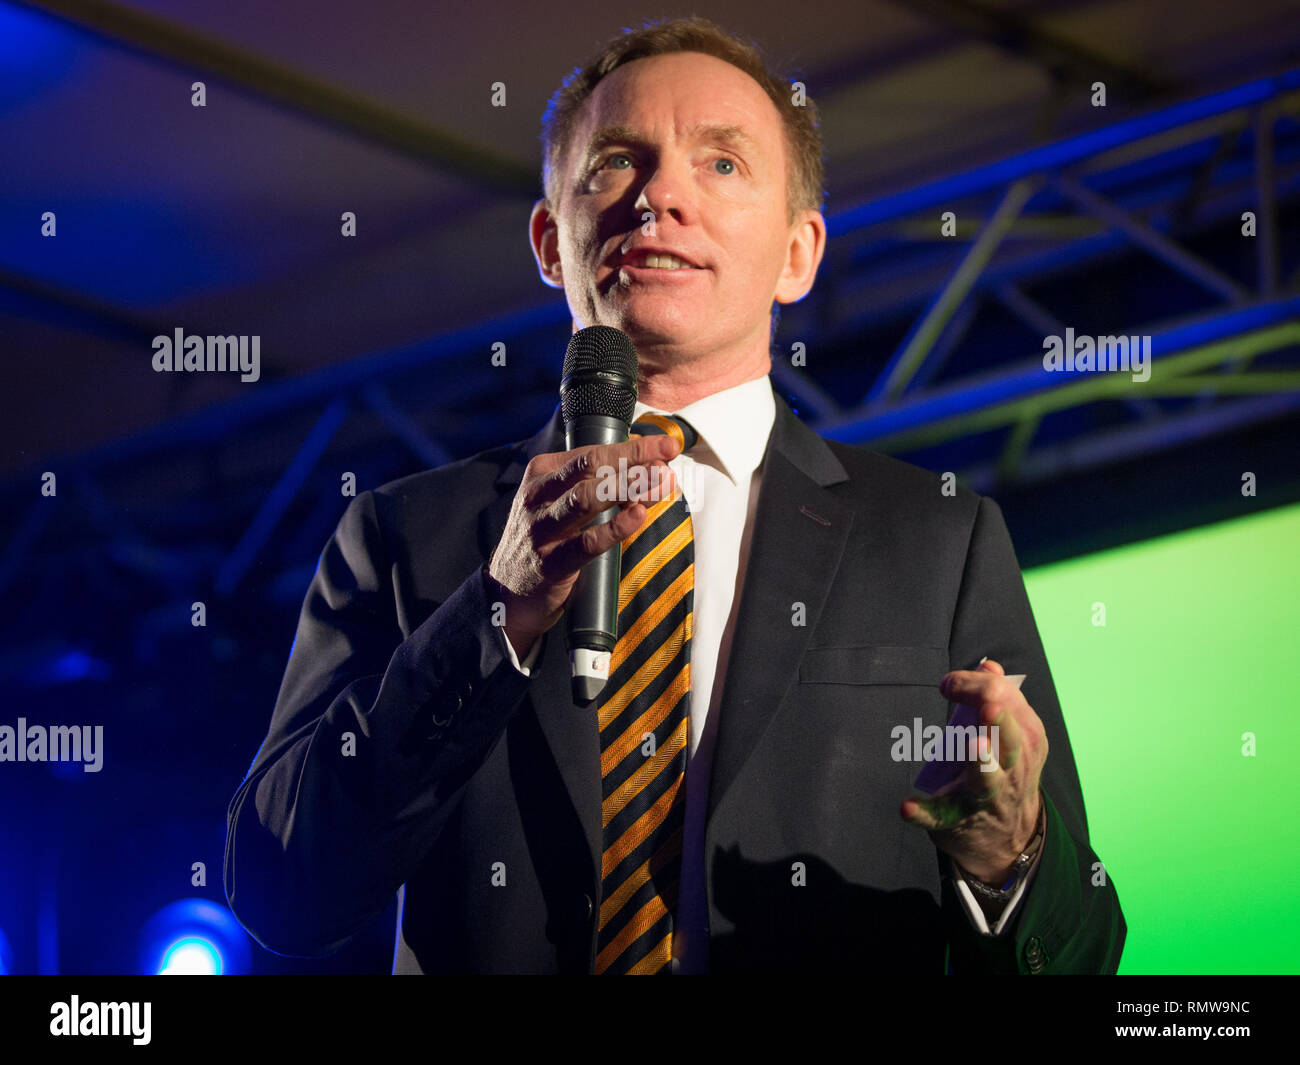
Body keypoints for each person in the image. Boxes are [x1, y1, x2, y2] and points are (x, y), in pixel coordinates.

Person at [224, 16, 1125, 974]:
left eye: (723, 164)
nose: (659, 197)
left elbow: (1083, 956)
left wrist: (1010, 858)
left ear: (797, 254)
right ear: (549, 239)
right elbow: (280, 887)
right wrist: (496, 614)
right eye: (616, 162)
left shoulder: (937, 541)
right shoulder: (404, 535)